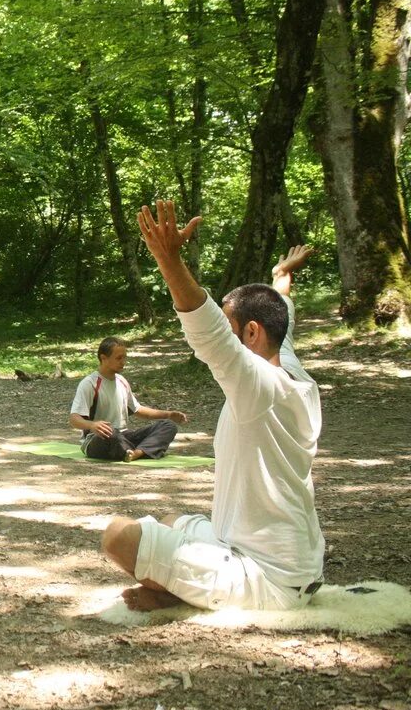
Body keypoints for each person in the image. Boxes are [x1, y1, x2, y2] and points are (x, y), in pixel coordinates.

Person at [101, 201, 324, 612]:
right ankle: (180, 585)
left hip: (270, 577)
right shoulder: (292, 371)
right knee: (170, 520)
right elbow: (283, 320)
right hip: (267, 556)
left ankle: (181, 592)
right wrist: (281, 280)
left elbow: (208, 335)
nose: (226, 331)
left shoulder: (261, 386)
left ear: (252, 332)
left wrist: (168, 259)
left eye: (231, 323)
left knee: (117, 536)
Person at [68, 337, 187, 461]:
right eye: (119, 358)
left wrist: (168, 415)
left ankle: (135, 453)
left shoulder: (122, 381)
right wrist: (92, 425)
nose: (123, 362)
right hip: (98, 439)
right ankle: (139, 450)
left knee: (168, 426)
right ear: (103, 358)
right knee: (112, 434)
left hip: (124, 436)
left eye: (124, 357)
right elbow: (74, 419)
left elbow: (138, 410)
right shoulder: (89, 383)